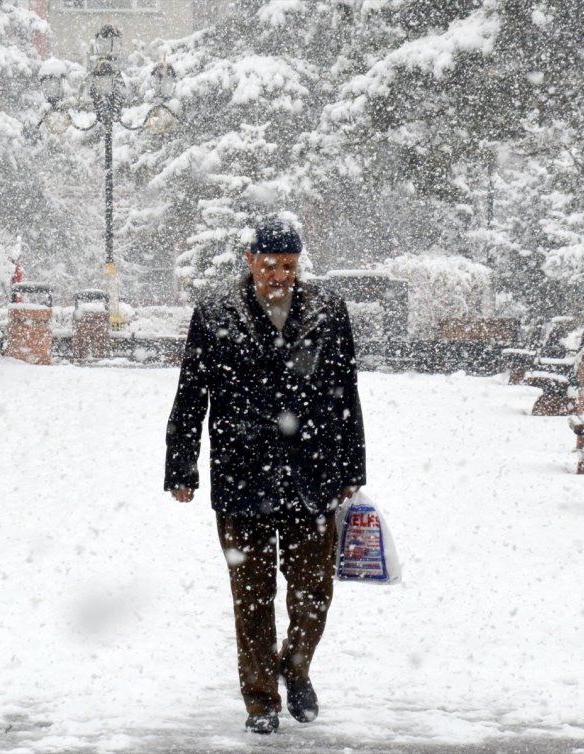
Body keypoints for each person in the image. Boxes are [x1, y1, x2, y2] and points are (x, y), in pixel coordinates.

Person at [164, 217, 366, 734]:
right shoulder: (214, 313)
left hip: (313, 474)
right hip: (242, 477)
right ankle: (260, 701)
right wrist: (181, 465)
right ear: (250, 260)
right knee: (252, 599)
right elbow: (192, 394)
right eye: (271, 264)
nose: (280, 275)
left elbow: (346, 390)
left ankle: (295, 669)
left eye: (290, 266)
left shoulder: (328, 309)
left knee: (313, 594)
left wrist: (351, 466)